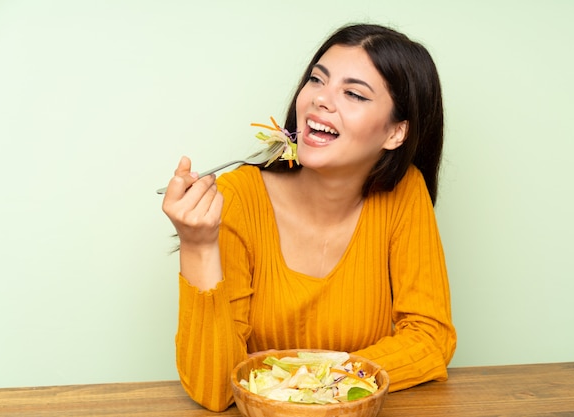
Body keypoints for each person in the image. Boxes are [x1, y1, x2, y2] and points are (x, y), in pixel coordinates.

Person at [161, 23, 456, 412]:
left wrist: (307, 378)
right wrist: (197, 245)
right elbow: (215, 388)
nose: (321, 99)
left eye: (353, 93)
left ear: (396, 133)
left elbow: (429, 338)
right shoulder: (237, 197)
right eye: (317, 79)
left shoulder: (404, 192)